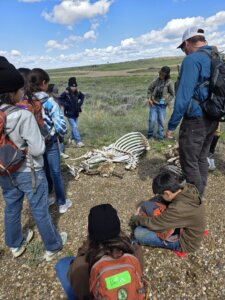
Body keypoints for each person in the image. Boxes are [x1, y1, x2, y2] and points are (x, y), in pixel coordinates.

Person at [0, 56, 67, 260]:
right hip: (29, 171)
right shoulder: (23, 115)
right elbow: (38, 149)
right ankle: (52, 246)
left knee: (12, 207)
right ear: (13, 92)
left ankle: (15, 244)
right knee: (39, 208)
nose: (23, 92)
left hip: (4, 171)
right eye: (20, 89)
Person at [166, 27, 219, 197]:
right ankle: (200, 194)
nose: (183, 52)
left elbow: (183, 96)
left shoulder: (192, 60)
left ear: (187, 43)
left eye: (182, 48)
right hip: (212, 117)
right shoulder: (215, 57)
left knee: (189, 161)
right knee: (201, 158)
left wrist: (172, 125)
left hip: (195, 120)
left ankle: (193, 202)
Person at [55, 204, 144, 300]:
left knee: (62, 264)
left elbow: (83, 294)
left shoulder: (81, 264)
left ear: (89, 230)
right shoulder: (134, 250)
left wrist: (86, 244)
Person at [28, 68, 72, 213]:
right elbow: (60, 125)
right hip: (50, 141)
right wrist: (62, 135)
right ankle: (62, 203)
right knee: (55, 172)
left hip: (34, 142)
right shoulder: (49, 101)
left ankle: (46, 199)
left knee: (43, 171)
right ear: (44, 82)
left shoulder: (27, 101)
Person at [130, 171, 206, 253]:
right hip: (189, 226)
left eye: (161, 194)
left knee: (138, 233)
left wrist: (136, 219)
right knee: (153, 204)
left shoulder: (178, 209)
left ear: (167, 193)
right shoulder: (188, 188)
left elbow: (156, 224)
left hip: (186, 243)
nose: (160, 196)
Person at [147, 66, 175, 140]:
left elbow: (172, 94)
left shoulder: (169, 82)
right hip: (153, 104)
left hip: (162, 105)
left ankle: (160, 136)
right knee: (152, 120)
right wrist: (149, 98)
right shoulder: (156, 80)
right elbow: (149, 89)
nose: (161, 75)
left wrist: (167, 100)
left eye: (163, 74)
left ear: (166, 75)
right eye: (160, 74)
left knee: (161, 121)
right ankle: (150, 135)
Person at [60, 77, 85, 147]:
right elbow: (60, 99)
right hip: (69, 113)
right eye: (72, 86)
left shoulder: (78, 92)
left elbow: (82, 96)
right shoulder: (66, 92)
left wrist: (80, 103)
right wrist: (65, 105)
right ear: (69, 86)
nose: (74, 88)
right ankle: (79, 141)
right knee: (74, 126)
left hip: (76, 112)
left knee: (75, 127)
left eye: (75, 86)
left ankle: (71, 139)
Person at [47, 83, 69, 160]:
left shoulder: (56, 101)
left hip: (58, 123)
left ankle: (61, 152)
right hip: (52, 128)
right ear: (48, 93)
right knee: (57, 139)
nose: (55, 97)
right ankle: (59, 153)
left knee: (61, 138)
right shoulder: (47, 103)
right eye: (53, 94)